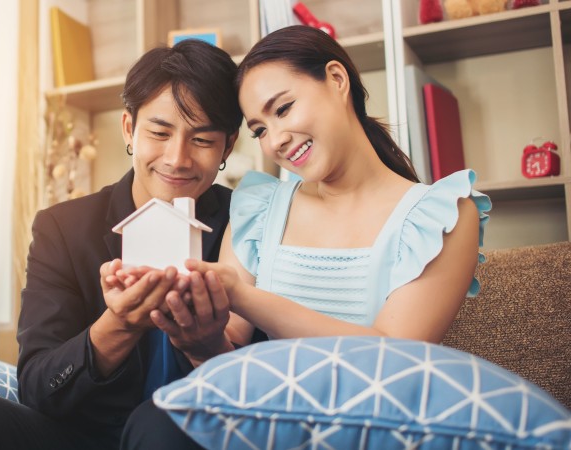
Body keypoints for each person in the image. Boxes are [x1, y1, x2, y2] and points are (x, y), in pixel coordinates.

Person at [125, 25, 492, 448]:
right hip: (272, 418)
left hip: (375, 428)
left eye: (282, 109)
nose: (276, 139)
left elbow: (390, 360)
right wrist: (201, 341)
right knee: (158, 421)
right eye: (259, 130)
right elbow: (230, 368)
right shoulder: (260, 208)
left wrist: (242, 295)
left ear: (337, 79)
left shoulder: (441, 214)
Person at [0, 39, 246, 450]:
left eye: (201, 140)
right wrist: (117, 325)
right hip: (79, 436)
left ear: (228, 146)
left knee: (162, 422)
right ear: (129, 128)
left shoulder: (248, 225)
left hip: (189, 435)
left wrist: (205, 346)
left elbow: (263, 390)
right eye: (159, 133)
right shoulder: (64, 228)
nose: (177, 158)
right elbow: (37, 385)